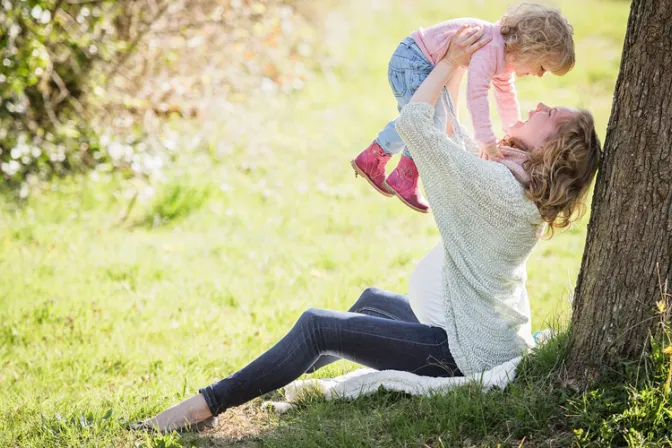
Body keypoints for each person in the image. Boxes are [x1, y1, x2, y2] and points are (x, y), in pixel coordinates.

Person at [132, 25, 600, 433]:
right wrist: (459, 67)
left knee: (319, 326)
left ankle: (205, 406)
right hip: (477, 330)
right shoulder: (515, 184)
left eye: (552, 115)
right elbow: (455, 138)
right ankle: (263, 378)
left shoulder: (498, 189)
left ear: (553, 150)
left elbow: (417, 125)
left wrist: (452, 63)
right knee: (371, 302)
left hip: (463, 352)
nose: (540, 103)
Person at [351, 3, 575, 213]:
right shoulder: (491, 47)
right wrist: (486, 140)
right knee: (425, 119)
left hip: (419, 62)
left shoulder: (504, 57)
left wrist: (512, 131)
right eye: (543, 67)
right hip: (413, 61)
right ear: (531, 49)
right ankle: (401, 174)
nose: (539, 75)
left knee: (425, 119)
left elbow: (506, 97)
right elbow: (476, 94)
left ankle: (376, 159)